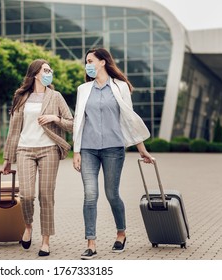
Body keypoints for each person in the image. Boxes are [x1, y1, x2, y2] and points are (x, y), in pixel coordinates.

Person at [72, 48, 154, 260]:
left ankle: (121, 233)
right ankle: (91, 242)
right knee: (90, 195)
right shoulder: (83, 89)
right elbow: (79, 121)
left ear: (102, 62)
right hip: (88, 149)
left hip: (113, 149)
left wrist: (142, 150)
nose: (87, 65)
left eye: (90, 61)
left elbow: (130, 120)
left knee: (112, 194)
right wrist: (76, 151)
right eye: (86, 62)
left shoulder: (120, 87)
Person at [2, 59, 73, 257]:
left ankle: (45, 240)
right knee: (26, 195)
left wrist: (54, 119)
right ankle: (28, 226)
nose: (50, 72)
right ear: (35, 74)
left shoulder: (55, 96)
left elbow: (72, 123)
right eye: (46, 70)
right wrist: (8, 158)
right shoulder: (21, 96)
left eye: (50, 70)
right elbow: (13, 130)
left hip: (48, 149)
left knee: (45, 196)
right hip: (24, 149)